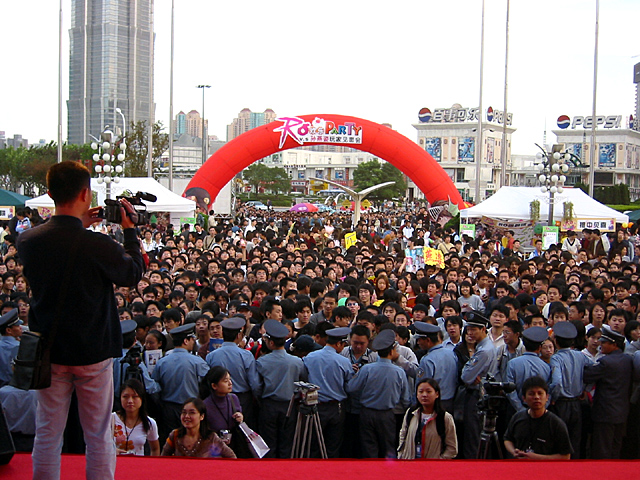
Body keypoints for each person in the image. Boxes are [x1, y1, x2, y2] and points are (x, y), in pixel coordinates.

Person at [17, 161, 144, 480]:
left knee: (47, 432)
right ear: (86, 194)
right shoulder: (98, 245)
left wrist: (79, 223)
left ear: (49, 194)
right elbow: (132, 273)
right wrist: (130, 230)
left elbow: (59, 241)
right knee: (98, 434)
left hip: (50, 351)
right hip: (92, 351)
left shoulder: (28, 241)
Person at [346, 329, 411, 458]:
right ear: (392, 351)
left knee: (368, 448)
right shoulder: (399, 372)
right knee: (388, 448)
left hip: (367, 413)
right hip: (387, 415)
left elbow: (351, 388)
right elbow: (405, 399)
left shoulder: (367, 369)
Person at [255, 319, 306, 458]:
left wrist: (260, 398)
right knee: (287, 444)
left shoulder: (262, 362)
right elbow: (303, 382)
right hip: (290, 405)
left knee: (268, 444)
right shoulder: (297, 362)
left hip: (269, 404)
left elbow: (256, 386)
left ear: (271, 343)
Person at [152, 323, 210, 443]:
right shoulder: (197, 361)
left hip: (168, 408)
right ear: (185, 341)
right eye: (192, 339)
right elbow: (208, 379)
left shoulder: (162, 362)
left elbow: (155, 386)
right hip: (192, 408)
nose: (193, 342)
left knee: (171, 441)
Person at [583, 325, 634, 459]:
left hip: (605, 414)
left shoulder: (605, 362)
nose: (601, 345)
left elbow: (587, 375)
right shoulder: (628, 360)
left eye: (604, 343)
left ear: (614, 345)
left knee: (602, 450)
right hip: (622, 413)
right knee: (615, 449)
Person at [303, 326, 354, 457]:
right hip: (336, 408)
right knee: (333, 446)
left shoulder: (310, 357)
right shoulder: (344, 361)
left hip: (315, 406)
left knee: (314, 446)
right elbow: (350, 386)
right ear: (338, 344)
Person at [503, 376, 573, 459]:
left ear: (547, 397)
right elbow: (507, 439)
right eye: (531, 394)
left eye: (540, 393)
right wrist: (514, 452)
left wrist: (536, 458)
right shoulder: (517, 417)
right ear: (524, 398)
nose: (536, 397)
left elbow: (566, 456)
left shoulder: (556, 424)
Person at [397, 378, 457, 459]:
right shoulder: (411, 413)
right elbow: (403, 434)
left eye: (428, 392)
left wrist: (440, 461)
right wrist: (401, 455)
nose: (424, 395)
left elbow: (452, 448)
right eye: (421, 392)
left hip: (433, 465)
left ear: (437, 394)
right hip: (410, 463)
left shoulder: (445, 417)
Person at [161, 397, 236, 458]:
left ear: (202, 416)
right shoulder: (175, 435)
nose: (187, 416)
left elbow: (231, 457)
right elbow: (163, 459)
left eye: (192, 413)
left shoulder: (211, 437)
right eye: (184, 412)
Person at [112, 378, 160, 456]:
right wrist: (111, 451)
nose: (130, 401)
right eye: (125, 396)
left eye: (135, 397)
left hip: (138, 463)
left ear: (141, 398)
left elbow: (155, 448)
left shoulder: (149, 423)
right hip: (114, 462)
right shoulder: (111, 419)